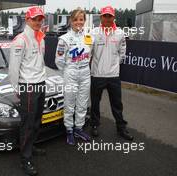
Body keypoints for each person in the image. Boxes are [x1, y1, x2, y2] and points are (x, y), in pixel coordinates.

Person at [9, 6, 47, 176]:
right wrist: (17, 89)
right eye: (35, 19)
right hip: (28, 87)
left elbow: (39, 63)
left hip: (40, 83)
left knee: (37, 120)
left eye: (40, 19)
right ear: (27, 19)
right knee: (28, 123)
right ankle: (25, 159)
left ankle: (31, 146)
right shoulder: (20, 40)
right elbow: (13, 69)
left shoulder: (42, 38)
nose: (38, 22)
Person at [90, 5, 134, 140]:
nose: (108, 18)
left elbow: (122, 53)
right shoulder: (93, 32)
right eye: (105, 16)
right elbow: (88, 52)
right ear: (101, 17)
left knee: (117, 103)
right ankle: (95, 125)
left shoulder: (120, 33)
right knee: (95, 103)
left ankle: (121, 127)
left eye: (110, 16)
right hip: (97, 74)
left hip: (113, 75)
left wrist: (113, 65)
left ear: (114, 17)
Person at [55, 8, 92, 145]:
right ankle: (69, 130)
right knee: (69, 103)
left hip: (85, 73)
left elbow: (90, 55)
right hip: (70, 72)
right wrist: (68, 72)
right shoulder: (64, 39)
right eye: (75, 19)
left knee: (82, 103)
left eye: (81, 19)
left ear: (84, 21)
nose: (78, 22)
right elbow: (59, 61)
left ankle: (79, 128)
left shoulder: (89, 37)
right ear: (71, 21)